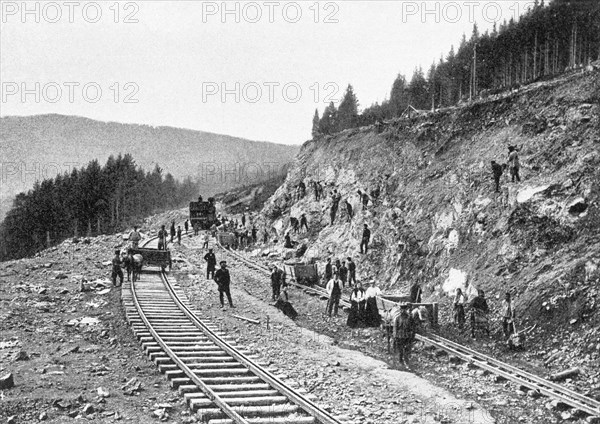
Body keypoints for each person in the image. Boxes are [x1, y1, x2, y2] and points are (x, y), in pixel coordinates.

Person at [394, 303, 416, 368]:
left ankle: (407, 363)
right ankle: (400, 362)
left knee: (407, 350)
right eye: (401, 309)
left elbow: (413, 328)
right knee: (400, 350)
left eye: (404, 309)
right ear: (400, 310)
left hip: (407, 336)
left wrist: (412, 336)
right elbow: (395, 328)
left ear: (406, 310)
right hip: (399, 336)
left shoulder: (410, 318)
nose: (403, 311)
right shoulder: (397, 318)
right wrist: (395, 336)